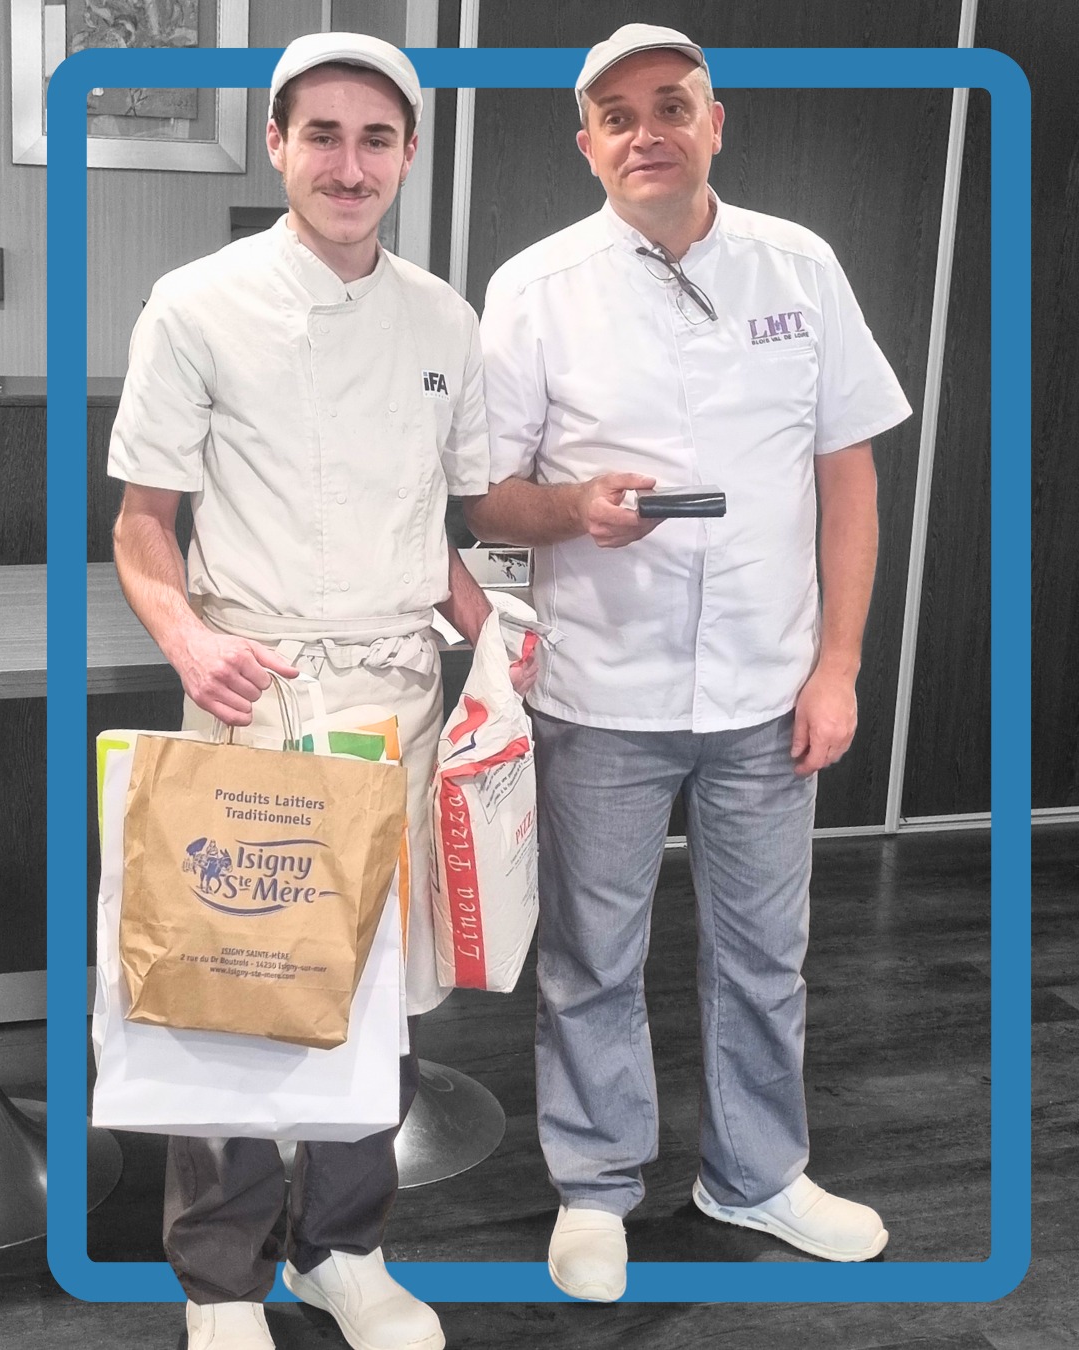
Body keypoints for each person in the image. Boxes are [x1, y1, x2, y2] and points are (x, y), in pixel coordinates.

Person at [465, 23, 913, 1301]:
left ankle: (757, 1173)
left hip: (769, 689)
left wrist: (838, 666)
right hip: (601, 690)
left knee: (766, 953)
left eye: (672, 106)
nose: (646, 132)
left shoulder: (800, 266)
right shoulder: (535, 286)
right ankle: (596, 1186)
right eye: (618, 116)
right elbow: (488, 497)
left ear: (716, 123)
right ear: (587, 144)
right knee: (591, 958)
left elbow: (848, 477)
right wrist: (575, 510)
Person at [109, 32, 514, 1350]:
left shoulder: (445, 319)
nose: (350, 165)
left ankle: (345, 1248)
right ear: (278, 146)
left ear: (407, 155)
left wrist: (494, 633)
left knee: (373, 993)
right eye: (323, 135)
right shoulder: (196, 304)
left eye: (376, 139)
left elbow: (435, 521)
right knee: (229, 984)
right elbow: (143, 524)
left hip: (393, 696)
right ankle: (223, 1279)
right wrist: (188, 641)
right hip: (253, 690)